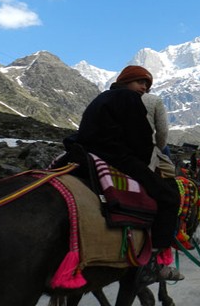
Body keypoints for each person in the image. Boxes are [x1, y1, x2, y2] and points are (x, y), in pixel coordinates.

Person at [63, 65, 183, 281]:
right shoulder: (129, 99)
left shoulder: (102, 97)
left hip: (86, 153)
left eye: (147, 84)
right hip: (117, 156)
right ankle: (154, 261)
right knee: (169, 196)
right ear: (126, 81)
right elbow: (141, 137)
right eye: (140, 82)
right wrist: (143, 159)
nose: (144, 88)